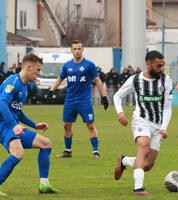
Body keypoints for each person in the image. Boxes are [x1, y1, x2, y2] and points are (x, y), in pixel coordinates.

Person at [113, 50, 173, 195]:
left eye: (162, 66)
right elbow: (117, 96)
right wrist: (120, 112)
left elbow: (167, 108)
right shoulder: (135, 80)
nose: (161, 69)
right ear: (148, 64)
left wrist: (164, 128)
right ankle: (138, 188)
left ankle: (124, 161)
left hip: (158, 125)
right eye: (158, 66)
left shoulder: (166, 80)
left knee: (148, 165)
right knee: (143, 148)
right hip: (141, 120)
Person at [0, 53, 58, 196]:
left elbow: (17, 111)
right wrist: (14, 125)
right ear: (29, 67)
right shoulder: (13, 82)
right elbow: (2, 103)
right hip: (4, 125)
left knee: (46, 143)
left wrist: (34, 125)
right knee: (18, 153)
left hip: (12, 125)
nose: (39, 73)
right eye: (38, 70)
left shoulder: (25, 86)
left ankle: (44, 185)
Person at [48, 40, 108, 159]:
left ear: (82, 50)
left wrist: (104, 96)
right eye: (74, 49)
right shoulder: (67, 65)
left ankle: (95, 152)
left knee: (90, 125)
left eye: (79, 49)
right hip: (70, 101)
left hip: (84, 101)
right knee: (66, 125)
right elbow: (60, 79)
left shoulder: (89, 65)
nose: (77, 51)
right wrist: (51, 91)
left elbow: (97, 80)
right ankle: (67, 151)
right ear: (71, 50)